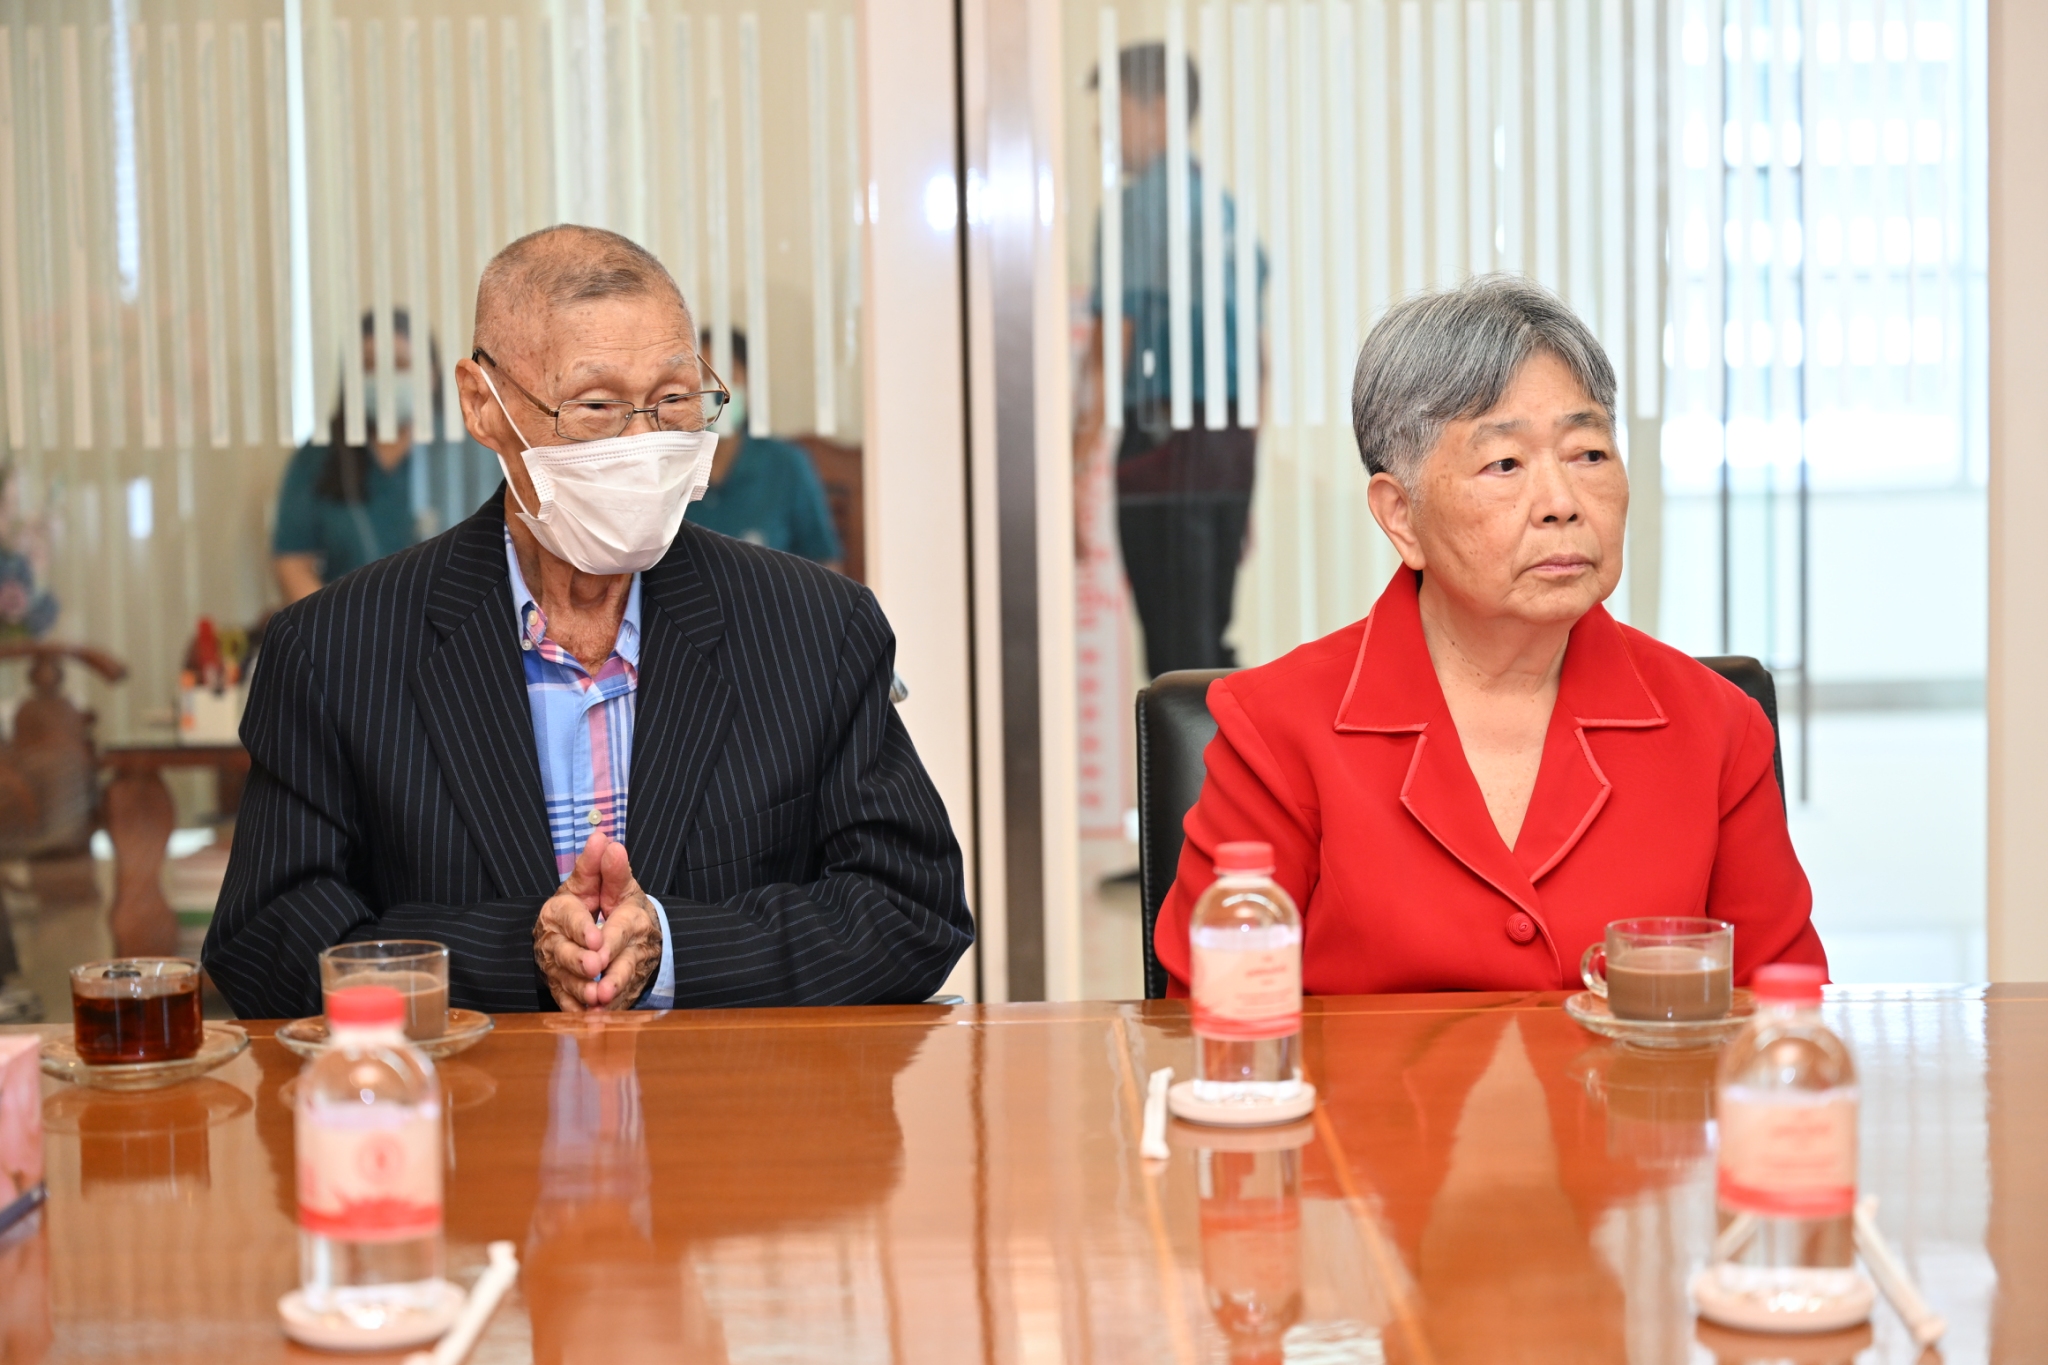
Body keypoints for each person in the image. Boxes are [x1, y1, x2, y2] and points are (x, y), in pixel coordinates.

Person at [205, 225, 972, 1017]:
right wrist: (524, 954)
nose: (644, 445)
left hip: (731, 1091)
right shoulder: (335, 650)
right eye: (597, 406)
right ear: (483, 404)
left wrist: (670, 946)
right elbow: (268, 941)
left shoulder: (812, 629)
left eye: (674, 400)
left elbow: (912, 910)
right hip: (465, 1094)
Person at [1153, 275, 1825, 994]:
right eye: (1504, 464)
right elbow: (1210, 1023)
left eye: (1589, 454)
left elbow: (1782, 1010)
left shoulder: (1717, 727)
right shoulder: (1276, 729)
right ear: (1401, 515)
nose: (1562, 502)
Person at [1076, 43, 1261, 677]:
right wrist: (1242, 476)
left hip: (1164, 444)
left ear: (1156, 111)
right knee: (1208, 640)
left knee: (1176, 656)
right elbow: (1257, 357)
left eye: (1114, 111)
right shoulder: (1223, 208)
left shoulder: (1135, 210)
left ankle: (1194, 751)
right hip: (1228, 443)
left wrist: (1074, 470)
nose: (1101, 130)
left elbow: (1112, 346)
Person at [272, 310, 435, 602]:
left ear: (432, 376)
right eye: (370, 366)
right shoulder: (318, 456)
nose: (385, 379)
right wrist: (333, 625)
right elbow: (293, 563)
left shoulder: (461, 455)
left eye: (400, 365)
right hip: (345, 626)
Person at [685, 331, 844, 570]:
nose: (714, 389)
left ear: (750, 383)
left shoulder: (786, 465)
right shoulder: (672, 466)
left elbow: (826, 562)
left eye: (726, 375)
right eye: (702, 378)